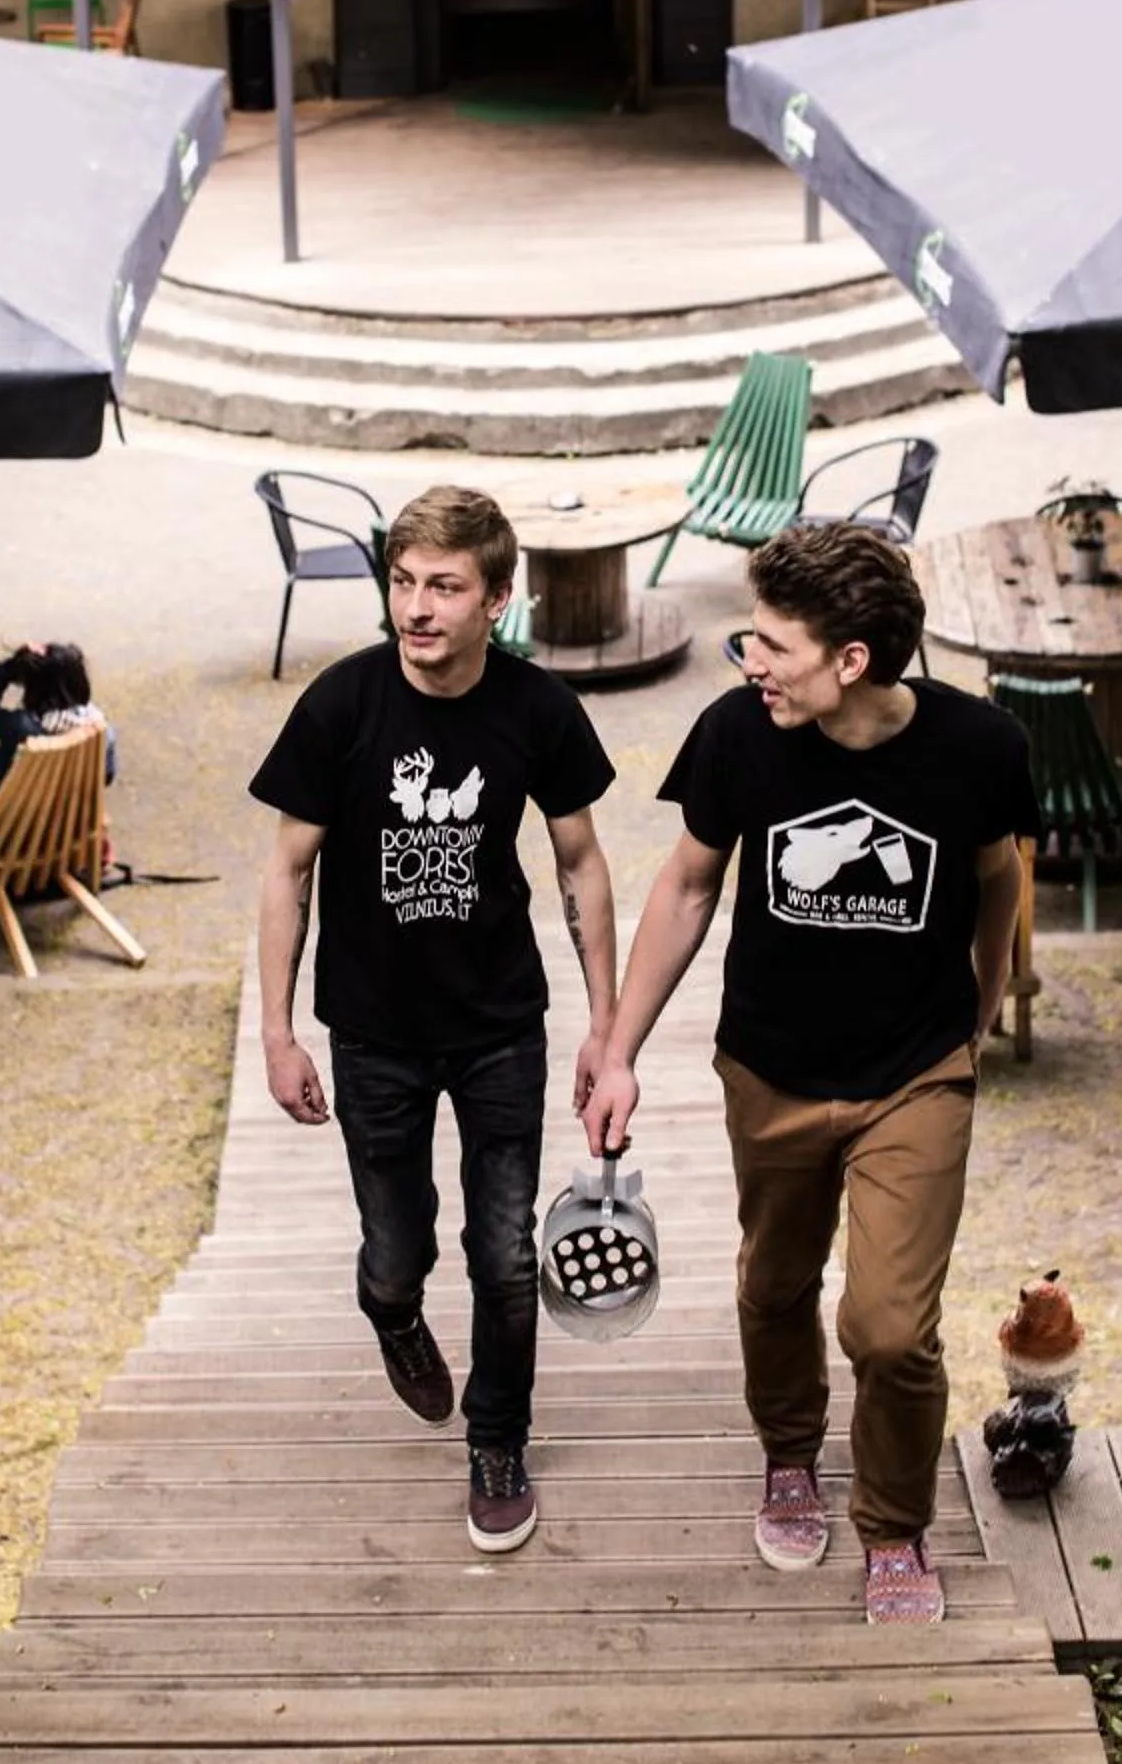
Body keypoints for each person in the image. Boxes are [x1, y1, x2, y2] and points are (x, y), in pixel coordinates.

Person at [581, 522, 1036, 1624]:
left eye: (773, 646)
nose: (751, 662)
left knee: (888, 1327)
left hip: (913, 1075)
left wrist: (976, 1018)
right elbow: (689, 887)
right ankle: (789, 1453)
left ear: (852, 660)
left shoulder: (980, 747)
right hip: (770, 1069)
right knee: (775, 1284)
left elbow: (998, 880)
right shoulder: (737, 734)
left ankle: (894, 1527)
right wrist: (618, 1052)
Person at [251, 484, 617, 1555]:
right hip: (371, 1031)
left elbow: (582, 863)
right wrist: (276, 1032)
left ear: (495, 599)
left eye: (444, 587)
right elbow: (285, 872)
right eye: (403, 582)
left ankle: (496, 1440)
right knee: (392, 1252)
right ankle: (393, 1315)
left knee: (504, 1256)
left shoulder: (538, 709)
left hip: (500, 1023)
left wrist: (607, 1028)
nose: (415, 607)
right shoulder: (340, 705)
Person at [0, 642, 114, 834]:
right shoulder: (101, 728)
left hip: (7, 829)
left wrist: (6, 670)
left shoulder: (23, 728)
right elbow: (107, 776)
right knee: (2, 750)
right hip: (67, 828)